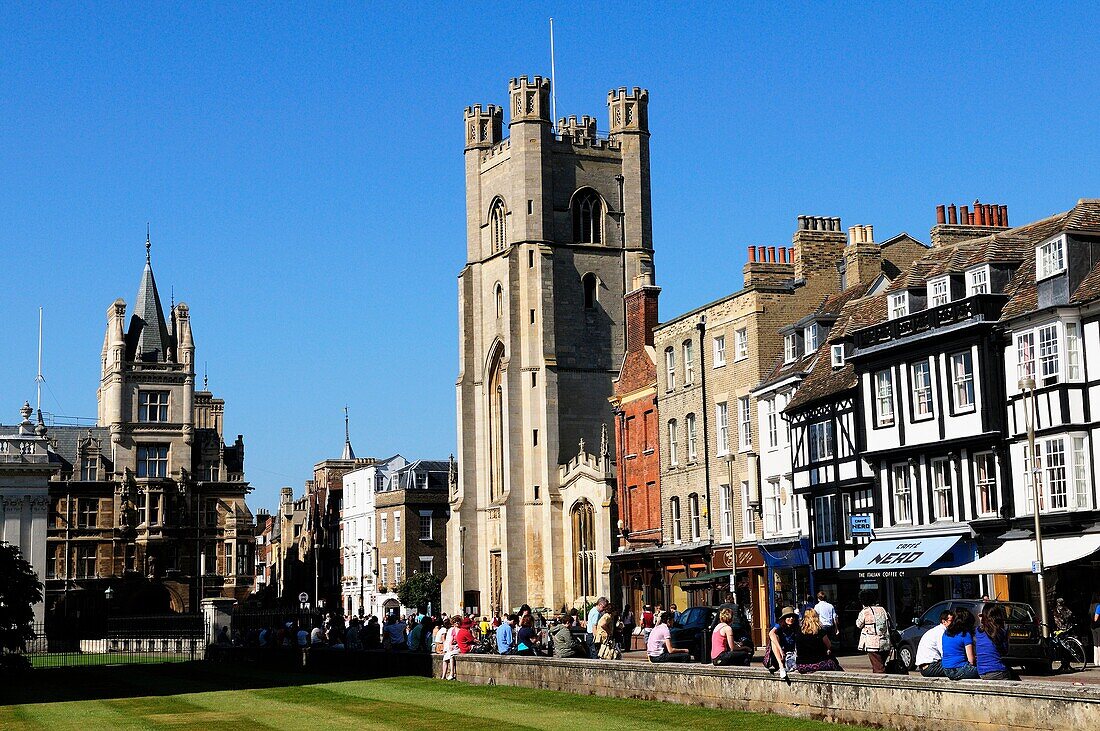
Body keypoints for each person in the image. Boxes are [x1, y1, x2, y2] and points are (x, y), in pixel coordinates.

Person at [976, 604, 1017, 681]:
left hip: (981, 672)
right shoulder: (1000, 631)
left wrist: (981, 619)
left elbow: (983, 626)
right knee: (1015, 678)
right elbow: (1005, 651)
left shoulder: (978, 631)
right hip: (997, 671)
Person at [794, 609, 841, 673]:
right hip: (818, 663)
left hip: (802, 665)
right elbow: (829, 645)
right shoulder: (820, 631)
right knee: (834, 662)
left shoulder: (799, 632)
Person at [855, 590, 891, 674]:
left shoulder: (865, 612)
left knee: (879, 668)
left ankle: (881, 684)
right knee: (880, 664)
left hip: (872, 643)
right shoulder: (882, 609)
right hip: (885, 641)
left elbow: (858, 624)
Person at [941, 607, 979, 680]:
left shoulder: (946, 633)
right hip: (960, 669)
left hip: (946, 669)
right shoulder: (965, 634)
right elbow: (971, 660)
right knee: (984, 670)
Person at [915, 609, 953, 677]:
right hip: (931, 667)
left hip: (926, 667)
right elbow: (944, 652)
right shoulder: (941, 632)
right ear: (944, 621)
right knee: (958, 668)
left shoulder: (936, 630)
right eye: (951, 621)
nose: (953, 623)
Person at [768, 606, 800, 678]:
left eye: (792, 617)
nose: (791, 618)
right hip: (779, 656)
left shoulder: (796, 626)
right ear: (784, 618)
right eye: (788, 616)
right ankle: (781, 667)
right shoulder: (779, 625)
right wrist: (780, 649)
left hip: (791, 654)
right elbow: (771, 633)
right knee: (774, 638)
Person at [1092, 595, 1100, 667]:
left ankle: (1096, 661)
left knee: (1095, 644)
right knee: (1099, 644)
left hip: (1093, 627)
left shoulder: (1091, 606)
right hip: (1099, 626)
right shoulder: (1099, 606)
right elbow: (1096, 618)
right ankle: (1099, 661)